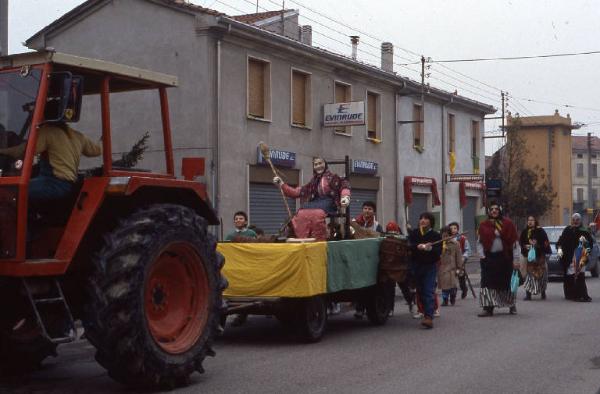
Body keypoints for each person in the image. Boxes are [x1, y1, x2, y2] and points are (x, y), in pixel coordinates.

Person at [0, 122, 101, 203]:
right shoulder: (77, 136)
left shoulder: (48, 131)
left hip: (53, 183)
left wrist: (2, 151)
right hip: (67, 184)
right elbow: (97, 150)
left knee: (10, 190)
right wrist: (103, 139)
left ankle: (24, 227)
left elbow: (24, 151)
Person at [273, 157, 350, 239]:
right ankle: (302, 238)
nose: (318, 166)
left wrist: (345, 197)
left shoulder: (333, 177)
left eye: (320, 163)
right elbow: (296, 192)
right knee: (300, 213)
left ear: (325, 164)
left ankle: (318, 240)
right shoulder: (312, 182)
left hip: (329, 202)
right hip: (315, 202)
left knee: (317, 214)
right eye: (316, 164)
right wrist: (281, 184)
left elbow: (344, 185)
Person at [476, 202, 520, 317]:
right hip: (489, 259)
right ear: (489, 211)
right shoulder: (484, 225)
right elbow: (479, 242)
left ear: (500, 210)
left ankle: (511, 304)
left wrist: (516, 259)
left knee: (506, 283)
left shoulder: (508, 224)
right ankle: (488, 308)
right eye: (492, 209)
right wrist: (482, 255)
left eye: (496, 209)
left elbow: (514, 243)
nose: (494, 211)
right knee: (487, 283)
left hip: (505, 258)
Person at [408, 212, 442, 329]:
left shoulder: (435, 235)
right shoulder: (414, 233)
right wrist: (418, 246)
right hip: (416, 266)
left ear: (431, 222)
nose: (423, 220)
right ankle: (424, 311)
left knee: (428, 291)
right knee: (420, 291)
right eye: (421, 218)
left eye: (426, 219)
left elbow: (438, 252)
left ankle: (429, 317)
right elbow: (409, 245)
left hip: (429, 267)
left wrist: (430, 248)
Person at [224, 211, 257, 327]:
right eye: (236, 219)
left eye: (241, 218)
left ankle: (242, 315)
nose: (238, 220)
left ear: (246, 221)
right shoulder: (230, 236)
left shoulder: (251, 233)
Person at [557, 213, 593, 302]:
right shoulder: (567, 230)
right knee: (570, 276)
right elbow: (560, 242)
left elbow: (589, 245)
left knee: (580, 276)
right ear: (571, 220)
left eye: (577, 220)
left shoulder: (584, 231)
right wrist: (559, 253)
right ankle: (571, 294)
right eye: (574, 219)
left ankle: (581, 295)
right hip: (569, 257)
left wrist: (586, 252)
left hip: (580, 257)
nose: (575, 221)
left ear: (580, 221)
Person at [519, 215, 551, 300]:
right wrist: (525, 246)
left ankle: (543, 292)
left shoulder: (540, 231)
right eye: (529, 220)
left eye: (532, 220)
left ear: (535, 221)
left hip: (539, 257)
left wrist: (537, 246)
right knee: (528, 275)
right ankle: (528, 294)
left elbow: (546, 242)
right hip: (528, 258)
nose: (530, 222)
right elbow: (521, 242)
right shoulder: (525, 231)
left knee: (541, 275)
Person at [438, 226, 464, 306]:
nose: (445, 237)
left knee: (453, 285)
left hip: (452, 267)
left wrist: (460, 267)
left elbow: (459, 256)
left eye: (447, 235)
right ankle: (445, 299)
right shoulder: (439, 244)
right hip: (442, 268)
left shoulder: (455, 244)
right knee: (444, 286)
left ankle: (453, 296)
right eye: (443, 235)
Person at [448, 222, 471, 299]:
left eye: (455, 228)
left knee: (461, 275)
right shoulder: (447, 239)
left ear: (457, 229)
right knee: (451, 276)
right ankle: (453, 291)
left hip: (460, 259)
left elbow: (467, 250)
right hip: (450, 260)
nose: (453, 230)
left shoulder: (462, 238)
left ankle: (464, 288)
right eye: (451, 228)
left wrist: (464, 257)